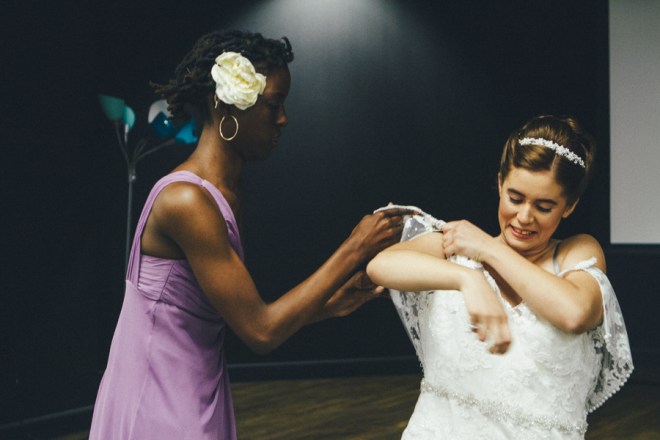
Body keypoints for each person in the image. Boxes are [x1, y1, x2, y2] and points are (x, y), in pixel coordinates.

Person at [89, 30, 412, 440]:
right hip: (156, 403)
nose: (283, 118)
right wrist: (356, 247)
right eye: (273, 104)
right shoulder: (186, 201)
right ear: (225, 104)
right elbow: (261, 331)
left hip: (197, 388)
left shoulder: (226, 193)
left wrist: (329, 305)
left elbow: (240, 315)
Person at [367, 115, 633, 439]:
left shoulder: (575, 252)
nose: (524, 217)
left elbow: (575, 314)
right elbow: (381, 265)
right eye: (515, 198)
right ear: (500, 184)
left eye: (544, 206)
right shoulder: (457, 248)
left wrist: (488, 249)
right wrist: (468, 279)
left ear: (569, 206)